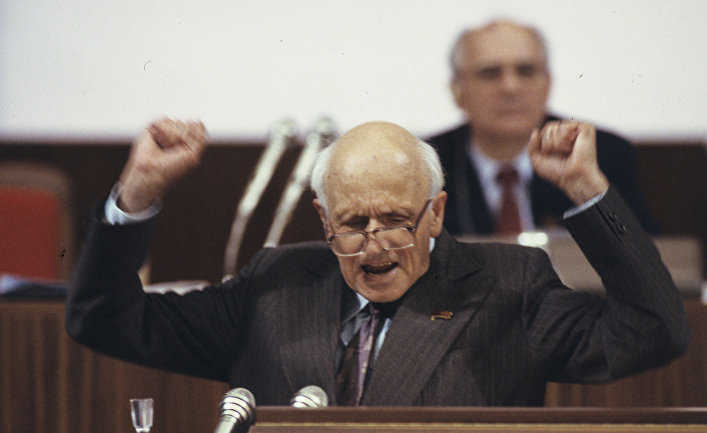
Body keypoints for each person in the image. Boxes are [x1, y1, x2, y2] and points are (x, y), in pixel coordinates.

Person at [66, 117, 688, 406]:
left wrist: (585, 190)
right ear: (323, 221)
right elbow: (104, 319)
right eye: (354, 224)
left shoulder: (508, 287)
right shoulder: (273, 287)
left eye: (396, 220)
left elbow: (653, 331)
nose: (376, 244)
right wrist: (137, 193)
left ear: (436, 214)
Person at [428, 19, 658, 236]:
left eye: (526, 71)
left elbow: (648, 254)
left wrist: (588, 188)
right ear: (456, 90)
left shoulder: (600, 152)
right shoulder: (428, 163)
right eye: (490, 73)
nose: (510, 87)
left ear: (548, 84)